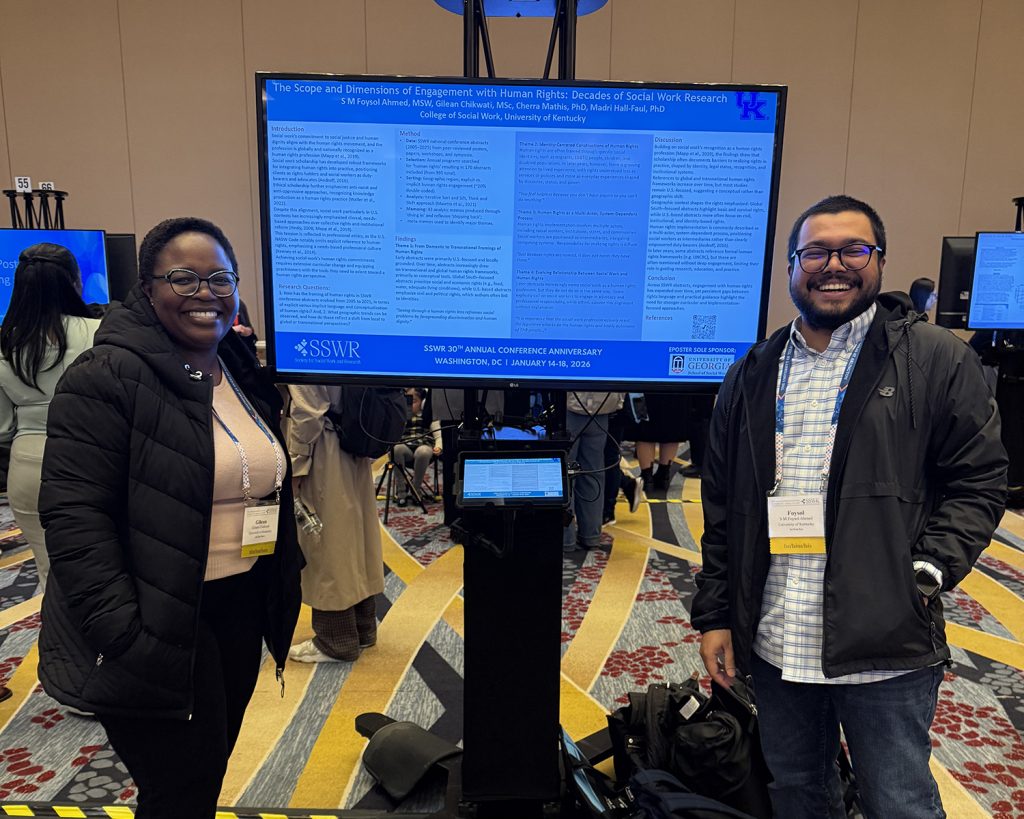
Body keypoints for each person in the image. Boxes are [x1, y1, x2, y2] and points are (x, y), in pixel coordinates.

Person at [692, 195, 1007, 819]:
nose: (833, 265)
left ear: (879, 262)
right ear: (790, 267)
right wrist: (716, 614)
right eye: (815, 251)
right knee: (799, 794)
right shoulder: (752, 372)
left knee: (900, 802)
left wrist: (927, 572)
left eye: (852, 250)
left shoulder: (936, 358)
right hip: (776, 638)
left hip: (884, 639)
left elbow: (981, 479)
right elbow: (723, 507)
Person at [36, 217, 303, 819]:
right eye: (183, 278)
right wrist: (125, 633)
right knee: (177, 788)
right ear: (147, 287)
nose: (205, 292)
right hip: (150, 621)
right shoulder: (105, 376)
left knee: (203, 776)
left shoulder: (233, 364)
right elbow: (75, 517)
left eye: (219, 277)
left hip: (235, 607)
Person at [0, 243, 100, 593]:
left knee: (48, 574)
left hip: (26, 464)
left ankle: (56, 645)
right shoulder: (99, 333)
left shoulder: (5, 342)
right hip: (91, 458)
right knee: (101, 573)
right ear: (75, 282)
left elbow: (2, 428)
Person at [285, 384, 384, 663]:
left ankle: (335, 640)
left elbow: (307, 410)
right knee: (356, 537)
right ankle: (363, 628)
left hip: (324, 447)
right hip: (354, 442)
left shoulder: (305, 341)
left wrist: (296, 464)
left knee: (327, 544)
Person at [564, 391, 623, 551]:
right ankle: (591, 536)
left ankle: (566, 538)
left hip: (569, 408)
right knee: (593, 473)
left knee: (565, 474)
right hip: (603, 408)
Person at [391, 387, 441, 506]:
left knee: (422, 451)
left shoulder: (427, 416)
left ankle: (415, 489)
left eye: (413, 402)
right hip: (406, 448)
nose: (410, 405)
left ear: (422, 403)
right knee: (396, 449)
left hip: (424, 447)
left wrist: (440, 446)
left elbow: (438, 434)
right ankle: (401, 491)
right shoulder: (401, 416)